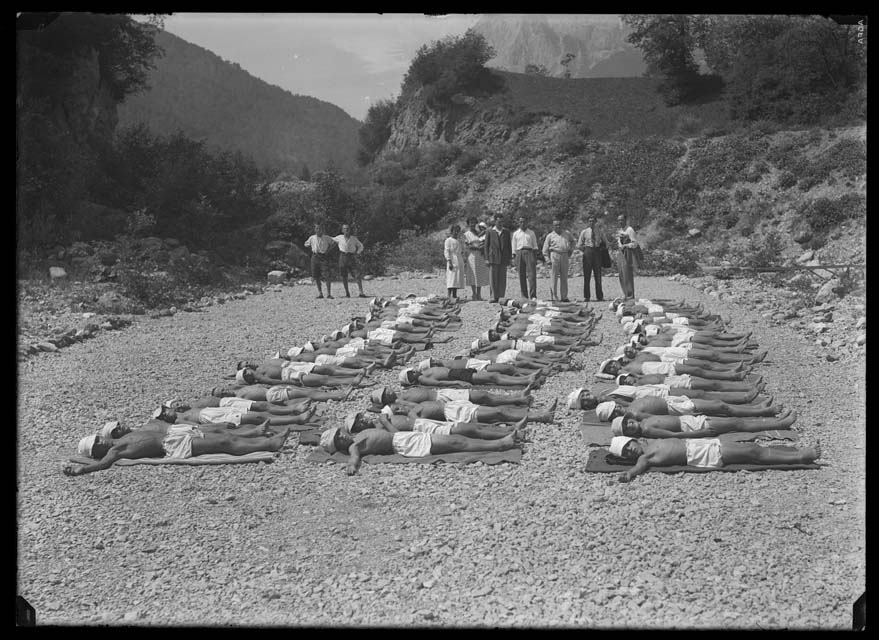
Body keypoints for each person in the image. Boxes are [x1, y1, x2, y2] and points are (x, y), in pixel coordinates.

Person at [63, 427, 291, 476]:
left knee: (225, 437)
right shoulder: (115, 452)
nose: (101, 439)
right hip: (173, 446)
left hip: (174, 436)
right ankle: (270, 445)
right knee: (224, 446)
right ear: (97, 448)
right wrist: (80, 470)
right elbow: (102, 465)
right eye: (97, 442)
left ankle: (264, 439)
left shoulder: (119, 439)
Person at [319, 424, 521, 476]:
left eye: (339, 433)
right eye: (339, 438)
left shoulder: (358, 434)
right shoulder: (355, 446)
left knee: (455, 440)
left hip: (404, 437)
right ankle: (500, 445)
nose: (342, 435)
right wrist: (351, 467)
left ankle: (500, 441)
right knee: (455, 444)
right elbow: (354, 458)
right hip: (405, 445)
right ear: (340, 445)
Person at [611, 435, 821, 483]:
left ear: (634, 441)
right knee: (754, 454)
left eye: (629, 447)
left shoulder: (652, 441)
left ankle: (798, 453)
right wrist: (628, 474)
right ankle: (802, 455)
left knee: (752, 448)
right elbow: (637, 470)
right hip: (706, 455)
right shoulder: (646, 458)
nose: (631, 451)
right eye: (627, 453)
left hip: (705, 444)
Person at [574, 393, 783, 421]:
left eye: (615, 407)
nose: (618, 408)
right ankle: (762, 411)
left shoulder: (628, 407)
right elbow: (660, 420)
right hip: (680, 409)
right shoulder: (635, 414)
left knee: (719, 404)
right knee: (721, 407)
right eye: (615, 412)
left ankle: (759, 408)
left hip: (674, 401)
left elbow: (616, 399)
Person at [610, 409, 798, 439]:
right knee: (737, 424)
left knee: (735, 422)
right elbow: (676, 436)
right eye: (628, 428)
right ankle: (780, 424)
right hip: (693, 428)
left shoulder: (644, 421)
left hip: (689, 420)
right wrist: (703, 433)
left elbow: (664, 415)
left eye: (628, 422)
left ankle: (777, 421)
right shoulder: (648, 430)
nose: (631, 425)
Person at [348, 410, 528, 441]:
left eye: (361, 417)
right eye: (360, 421)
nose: (363, 419)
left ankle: (510, 429)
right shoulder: (377, 428)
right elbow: (397, 436)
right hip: (423, 431)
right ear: (359, 428)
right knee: (471, 430)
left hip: (424, 424)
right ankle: (511, 434)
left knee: (471, 427)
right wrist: (386, 422)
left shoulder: (379, 420)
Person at [383, 396, 557, 424]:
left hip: (455, 406)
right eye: (396, 408)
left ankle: (539, 413)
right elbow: (422, 424)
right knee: (498, 413)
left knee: (497, 409)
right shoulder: (413, 415)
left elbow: (400, 399)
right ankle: (541, 417)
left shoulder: (412, 407)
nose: (399, 405)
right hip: (455, 414)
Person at [152, 401, 316, 427]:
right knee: (258, 418)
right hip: (213, 418)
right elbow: (196, 427)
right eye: (164, 415)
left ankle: (294, 413)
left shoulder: (183, 410)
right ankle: (296, 419)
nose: (167, 413)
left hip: (216, 412)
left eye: (166, 411)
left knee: (257, 412)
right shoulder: (179, 420)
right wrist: (219, 426)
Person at [599, 355, 752, 382]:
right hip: (662, 371)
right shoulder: (622, 373)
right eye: (609, 369)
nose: (613, 367)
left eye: (611, 363)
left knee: (700, 367)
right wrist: (603, 374)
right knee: (700, 371)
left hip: (663, 366)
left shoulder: (625, 363)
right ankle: (730, 374)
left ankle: (730, 370)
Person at [370, 386, 534, 410]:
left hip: (442, 393)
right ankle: (517, 399)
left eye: (386, 390)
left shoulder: (401, 393)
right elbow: (416, 407)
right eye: (386, 394)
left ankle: (517, 398)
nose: (389, 391)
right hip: (442, 400)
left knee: (482, 396)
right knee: (481, 397)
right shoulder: (399, 401)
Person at [399, 365, 542, 389]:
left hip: (457, 372)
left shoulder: (423, 373)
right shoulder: (422, 379)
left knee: (494, 376)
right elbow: (440, 383)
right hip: (456, 375)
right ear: (411, 380)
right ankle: (526, 380)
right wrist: (458, 382)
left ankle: (525, 379)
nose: (413, 372)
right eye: (411, 374)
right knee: (494, 378)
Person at [235, 365, 369, 389]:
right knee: (323, 380)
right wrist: (291, 383)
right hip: (291, 377)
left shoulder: (260, 371)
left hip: (292, 373)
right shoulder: (261, 377)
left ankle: (354, 377)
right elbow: (272, 381)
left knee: (324, 377)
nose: (247, 371)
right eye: (246, 374)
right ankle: (352, 381)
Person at [576, 212, 609, 302]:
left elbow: (606, 243)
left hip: (597, 252)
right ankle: (587, 296)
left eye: (593, 221)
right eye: (590, 221)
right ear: (588, 222)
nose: (591, 223)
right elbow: (579, 244)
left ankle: (600, 296)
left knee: (598, 276)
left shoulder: (600, 231)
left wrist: (601, 248)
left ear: (595, 222)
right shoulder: (584, 232)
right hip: (588, 252)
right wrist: (585, 250)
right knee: (587, 276)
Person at [211, 384, 352, 404]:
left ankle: (337, 393)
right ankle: (339, 396)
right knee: (309, 395)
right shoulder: (238, 398)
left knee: (306, 391)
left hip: (273, 390)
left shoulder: (239, 390)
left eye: (222, 389)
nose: (225, 391)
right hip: (272, 396)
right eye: (222, 394)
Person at [542, 218, 575, 302]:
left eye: (559, 224)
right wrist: (547, 259)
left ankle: (564, 297)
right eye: (556, 225)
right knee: (554, 277)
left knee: (564, 277)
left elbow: (572, 241)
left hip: (564, 255)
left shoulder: (567, 233)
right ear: (553, 226)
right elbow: (545, 249)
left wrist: (571, 250)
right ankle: (554, 297)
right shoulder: (550, 236)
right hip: (554, 255)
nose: (558, 226)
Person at [484, 213, 513, 303]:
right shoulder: (490, 231)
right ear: (495, 221)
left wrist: (509, 258)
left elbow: (509, 245)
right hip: (493, 258)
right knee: (493, 278)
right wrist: (486, 258)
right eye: (499, 222)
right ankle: (493, 296)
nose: (500, 223)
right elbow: (486, 246)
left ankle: (501, 296)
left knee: (502, 279)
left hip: (503, 258)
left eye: (502, 222)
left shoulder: (506, 232)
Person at [333, 223, 368, 298]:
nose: (346, 230)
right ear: (342, 230)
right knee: (344, 276)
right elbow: (330, 240)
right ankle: (347, 293)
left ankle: (361, 292)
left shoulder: (353, 238)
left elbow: (360, 246)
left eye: (348, 229)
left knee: (357, 274)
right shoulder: (339, 238)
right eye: (345, 229)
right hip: (342, 256)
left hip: (351, 257)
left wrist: (358, 252)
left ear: (350, 230)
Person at [304, 221, 337, 299]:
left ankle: (329, 293)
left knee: (327, 275)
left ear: (322, 229)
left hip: (323, 256)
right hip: (315, 256)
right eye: (317, 228)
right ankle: (320, 293)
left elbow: (334, 243)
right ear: (315, 229)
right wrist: (312, 249)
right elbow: (306, 244)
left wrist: (328, 250)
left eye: (320, 228)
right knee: (316, 276)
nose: (319, 230)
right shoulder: (312, 238)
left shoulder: (326, 237)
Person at [512, 214, 539, 300]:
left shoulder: (531, 233)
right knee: (521, 275)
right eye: (521, 222)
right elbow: (514, 246)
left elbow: (535, 245)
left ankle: (533, 295)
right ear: (519, 223)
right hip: (519, 252)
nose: (522, 223)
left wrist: (535, 256)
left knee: (532, 275)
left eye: (524, 222)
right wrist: (514, 256)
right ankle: (524, 295)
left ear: (527, 223)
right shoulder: (516, 234)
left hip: (529, 252)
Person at [614, 213, 641, 300]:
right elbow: (619, 242)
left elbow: (635, 243)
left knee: (627, 274)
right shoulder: (620, 230)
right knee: (621, 274)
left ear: (626, 220)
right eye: (618, 220)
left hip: (628, 253)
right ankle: (625, 293)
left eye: (621, 220)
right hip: (621, 253)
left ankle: (630, 295)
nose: (620, 222)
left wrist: (626, 246)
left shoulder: (630, 230)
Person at [463, 216, 489, 301]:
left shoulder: (479, 233)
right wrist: (478, 248)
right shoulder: (467, 234)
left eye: (474, 222)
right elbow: (468, 246)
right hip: (472, 255)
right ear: (468, 224)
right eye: (471, 222)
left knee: (479, 274)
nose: (473, 224)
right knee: (473, 275)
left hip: (480, 256)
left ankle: (479, 294)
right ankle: (474, 294)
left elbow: (483, 241)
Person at [444, 223, 466, 300]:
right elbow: (447, 251)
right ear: (452, 231)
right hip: (452, 259)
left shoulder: (459, 241)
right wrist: (449, 261)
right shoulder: (448, 240)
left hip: (459, 259)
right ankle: (449, 295)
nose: (456, 233)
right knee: (451, 277)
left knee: (456, 278)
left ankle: (454, 294)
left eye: (458, 231)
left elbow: (462, 250)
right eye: (455, 231)